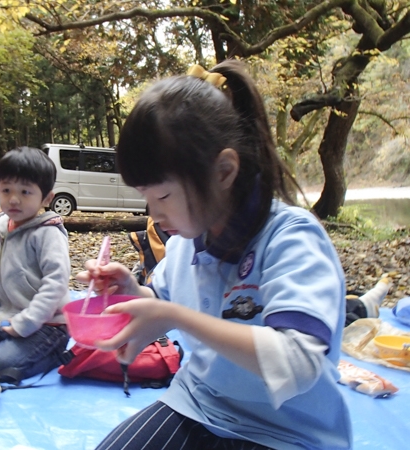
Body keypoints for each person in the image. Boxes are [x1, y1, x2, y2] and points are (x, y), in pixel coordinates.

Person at [77, 61, 352, 449]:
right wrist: (128, 293)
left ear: (224, 171)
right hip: (200, 404)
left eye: (164, 196)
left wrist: (175, 315)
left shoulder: (290, 238)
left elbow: (297, 363)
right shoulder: (185, 241)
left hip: (288, 432)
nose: (154, 214)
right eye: (146, 198)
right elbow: (163, 307)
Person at [0, 147, 71, 383]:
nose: (13, 199)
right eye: (6, 190)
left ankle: (54, 352)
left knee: (2, 364)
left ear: (46, 198)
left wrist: (25, 323)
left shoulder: (48, 234)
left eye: (25, 192)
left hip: (46, 325)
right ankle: (9, 343)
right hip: (4, 320)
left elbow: (55, 284)